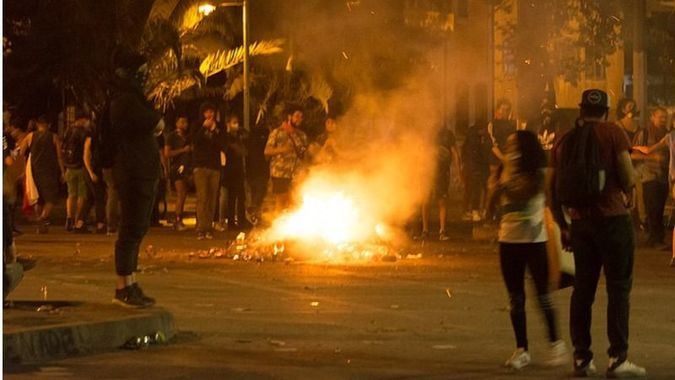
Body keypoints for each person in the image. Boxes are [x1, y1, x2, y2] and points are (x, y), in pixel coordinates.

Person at [550, 89, 646, 377]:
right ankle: (617, 358)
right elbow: (628, 177)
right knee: (619, 289)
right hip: (614, 220)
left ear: (581, 111)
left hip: (580, 223)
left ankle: (581, 357)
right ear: (606, 111)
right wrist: (637, 176)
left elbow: (551, 187)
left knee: (583, 290)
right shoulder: (614, 133)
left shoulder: (564, 140)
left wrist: (563, 224)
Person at [487, 130, 567, 370]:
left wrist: (504, 180)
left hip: (534, 242)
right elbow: (491, 206)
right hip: (508, 240)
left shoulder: (537, 172)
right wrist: (495, 184)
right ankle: (522, 349)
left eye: (515, 146)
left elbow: (526, 192)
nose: (510, 150)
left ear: (527, 148)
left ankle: (556, 344)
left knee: (542, 296)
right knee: (515, 298)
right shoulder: (503, 171)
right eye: (509, 145)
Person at [108, 48, 163, 308]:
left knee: (137, 229)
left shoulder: (131, 98)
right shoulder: (123, 100)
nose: (145, 76)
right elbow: (147, 122)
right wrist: (154, 119)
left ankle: (130, 282)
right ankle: (123, 287)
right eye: (141, 72)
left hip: (141, 171)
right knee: (130, 230)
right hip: (132, 173)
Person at [17, 115, 65, 234]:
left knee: (37, 198)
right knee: (51, 198)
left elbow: (21, 153)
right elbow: (59, 156)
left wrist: (22, 169)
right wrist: (63, 171)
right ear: (48, 125)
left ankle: (41, 222)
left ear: (38, 125)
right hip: (49, 171)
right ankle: (42, 218)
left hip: (34, 170)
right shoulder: (54, 137)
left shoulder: (30, 136)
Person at [631, 107, 669, 247]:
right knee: (652, 208)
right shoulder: (644, 133)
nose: (664, 120)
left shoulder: (667, 134)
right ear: (652, 117)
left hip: (663, 176)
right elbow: (631, 153)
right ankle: (655, 239)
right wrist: (652, 156)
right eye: (661, 117)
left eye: (665, 117)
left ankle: (657, 238)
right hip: (648, 175)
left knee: (659, 208)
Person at [191, 102, 228, 240]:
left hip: (214, 167)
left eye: (211, 111)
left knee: (212, 198)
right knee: (202, 197)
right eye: (206, 111)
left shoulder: (220, 127)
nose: (209, 114)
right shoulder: (196, 126)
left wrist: (214, 131)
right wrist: (203, 128)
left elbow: (223, 145)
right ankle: (201, 227)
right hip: (200, 166)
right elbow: (194, 141)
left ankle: (208, 227)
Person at [264, 104, 308, 214]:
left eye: (301, 117)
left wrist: (292, 134)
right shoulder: (277, 132)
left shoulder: (301, 135)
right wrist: (282, 149)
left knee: (295, 201)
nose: (299, 119)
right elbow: (267, 151)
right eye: (297, 116)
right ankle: (278, 227)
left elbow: (303, 152)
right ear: (289, 117)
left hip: (296, 174)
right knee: (280, 203)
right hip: (280, 173)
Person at [419, 129, 460, 241]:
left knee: (439, 202)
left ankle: (436, 231)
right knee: (428, 201)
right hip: (431, 173)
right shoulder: (430, 133)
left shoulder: (446, 134)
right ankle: (428, 231)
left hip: (439, 173)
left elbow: (455, 155)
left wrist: (458, 174)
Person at [62, 112, 91, 233]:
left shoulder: (68, 131)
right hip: (80, 166)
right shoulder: (84, 132)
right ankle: (77, 221)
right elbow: (86, 150)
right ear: (83, 119)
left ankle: (69, 218)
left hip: (69, 167)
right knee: (82, 195)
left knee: (71, 194)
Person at [222, 114, 250, 231]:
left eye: (237, 122)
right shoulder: (226, 137)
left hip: (238, 170)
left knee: (241, 196)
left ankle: (242, 220)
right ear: (228, 124)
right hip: (229, 170)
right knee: (231, 198)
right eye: (234, 122)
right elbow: (237, 151)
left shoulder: (239, 137)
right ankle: (231, 222)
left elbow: (244, 151)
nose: (236, 125)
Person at [164, 115, 192, 231]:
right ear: (177, 124)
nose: (184, 124)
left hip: (187, 167)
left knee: (184, 194)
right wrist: (182, 150)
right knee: (181, 194)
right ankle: (177, 219)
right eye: (181, 122)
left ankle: (179, 218)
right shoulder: (171, 136)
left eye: (185, 122)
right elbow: (167, 153)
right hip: (177, 167)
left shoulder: (188, 136)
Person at [462, 121, 492, 222]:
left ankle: (468, 212)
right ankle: (475, 212)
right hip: (476, 169)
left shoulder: (471, 140)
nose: (485, 132)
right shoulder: (476, 141)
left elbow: (464, 154)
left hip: (470, 168)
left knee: (470, 190)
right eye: (483, 130)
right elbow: (480, 155)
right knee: (476, 190)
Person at [82, 113, 107, 234]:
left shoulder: (97, 138)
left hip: (94, 170)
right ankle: (100, 223)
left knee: (90, 198)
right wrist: (91, 172)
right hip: (92, 170)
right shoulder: (90, 138)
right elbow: (86, 156)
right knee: (99, 197)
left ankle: (80, 223)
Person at [246, 122, 271, 224]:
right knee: (260, 193)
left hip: (252, 171)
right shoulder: (265, 141)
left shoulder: (250, 142)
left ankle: (255, 215)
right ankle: (255, 211)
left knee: (255, 193)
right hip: (262, 171)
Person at [488, 99, 517, 178]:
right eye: (503, 109)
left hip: (508, 162)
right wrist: (503, 159)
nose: (505, 112)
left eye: (507, 110)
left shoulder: (512, 126)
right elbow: (492, 145)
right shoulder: (492, 124)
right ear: (498, 110)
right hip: (495, 162)